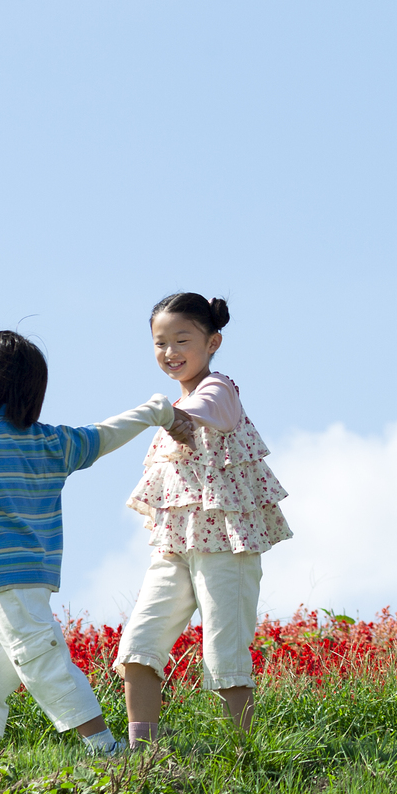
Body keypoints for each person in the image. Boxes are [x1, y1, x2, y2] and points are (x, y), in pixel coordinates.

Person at [0, 331, 172, 758]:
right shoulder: (53, 442)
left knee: (41, 658)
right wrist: (153, 411)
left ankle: (105, 747)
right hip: (27, 577)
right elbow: (105, 434)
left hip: (4, 577)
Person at [115, 293, 292, 747]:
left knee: (224, 652)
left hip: (225, 547)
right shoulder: (174, 408)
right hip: (175, 545)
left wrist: (173, 414)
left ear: (212, 342)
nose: (169, 352)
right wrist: (169, 414)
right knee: (138, 644)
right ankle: (143, 753)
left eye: (182, 340)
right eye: (159, 343)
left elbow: (209, 411)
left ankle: (240, 755)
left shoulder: (219, 390)